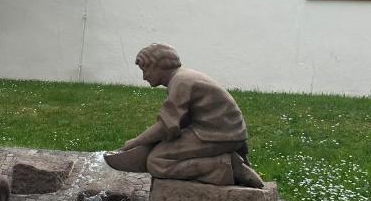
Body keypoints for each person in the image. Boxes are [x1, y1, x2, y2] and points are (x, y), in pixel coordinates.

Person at [105, 44, 264, 188]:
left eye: (145, 70)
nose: (144, 77)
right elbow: (175, 125)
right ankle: (226, 163)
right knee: (158, 153)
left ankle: (224, 166)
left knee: (157, 162)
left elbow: (166, 126)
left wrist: (136, 142)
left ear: (159, 65)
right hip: (216, 131)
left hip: (217, 135)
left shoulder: (181, 82)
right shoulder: (182, 78)